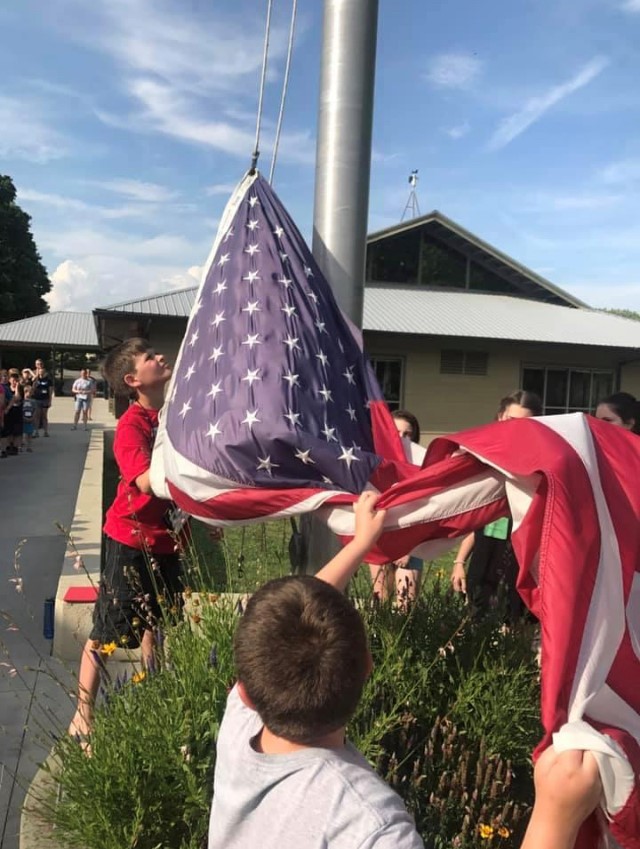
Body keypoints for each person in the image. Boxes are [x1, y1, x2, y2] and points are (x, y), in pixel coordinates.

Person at [208, 491, 604, 849]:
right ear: (369, 666)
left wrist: (362, 543)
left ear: (245, 687)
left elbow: (282, 626)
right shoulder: (368, 825)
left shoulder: (240, 730)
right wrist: (555, 819)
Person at [68, 338, 185, 743]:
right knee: (107, 630)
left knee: (160, 623)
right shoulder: (132, 427)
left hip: (169, 540)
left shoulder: (173, 417)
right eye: (151, 357)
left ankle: (154, 692)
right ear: (133, 380)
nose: (161, 357)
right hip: (132, 540)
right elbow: (143, 481)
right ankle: (83, 713)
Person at [451, 390, 543, 622]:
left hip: (519, 560)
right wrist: (459, 562)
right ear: (501, 417)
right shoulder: (485, 457)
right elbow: (477, 518)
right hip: (483, 559)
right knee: (476, 622)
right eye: (512, 420)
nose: (517, 428)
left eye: (526, 423)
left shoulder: (538, 461)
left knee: (516, 625)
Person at [369, 409, 426, 607]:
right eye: (396, 432)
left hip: (410, 545)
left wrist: (407, 548)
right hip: (380, 541)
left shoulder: (420, 467)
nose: (401, 438)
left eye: (407, 434)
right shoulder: (375, 465)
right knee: (379, 605)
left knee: (405, 606)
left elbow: (424, 512)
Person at [1, 371, 24, 456]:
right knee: (9, 430)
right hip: (8, 412)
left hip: (17, 411)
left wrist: (17, 388)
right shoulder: (6, 388)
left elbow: (17, 398)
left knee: (17, 431)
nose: (14, 382)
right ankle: (9, 446)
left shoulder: (20, 388)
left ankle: (15, 447)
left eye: (16, 380)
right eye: (12, 380)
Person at [32, 362, 53, 437]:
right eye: (40, 372)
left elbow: (50, 390)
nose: (41, 373)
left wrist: (50, 400)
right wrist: (35, 380)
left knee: (44, 415)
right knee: (37, 415)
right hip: (37, 399)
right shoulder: (36, 380)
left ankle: (46, 431)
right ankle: (36, 431)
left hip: (45, 399)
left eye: (42, 372)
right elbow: (33, 389)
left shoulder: (48, 380)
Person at [22, 385, 36, 452]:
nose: (29, 394)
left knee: (29, 434)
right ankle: (20, 445)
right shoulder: (22, 401)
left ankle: (29, 446)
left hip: (30, 419)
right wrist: (23, 417)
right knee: (23, 433)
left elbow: (35, 410)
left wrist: (33, 417)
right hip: (23, 419)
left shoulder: (33, 401)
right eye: (28, 392)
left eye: (31, 392)